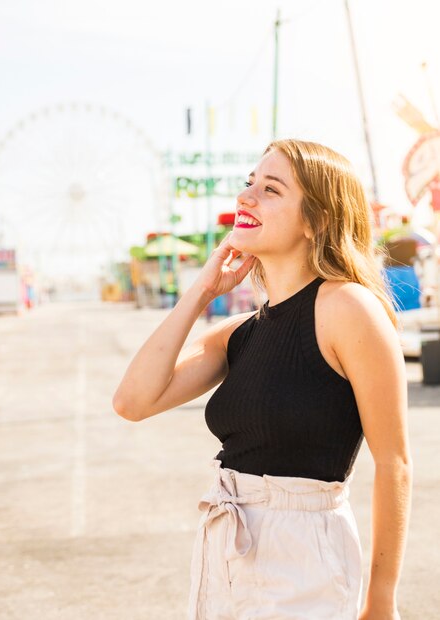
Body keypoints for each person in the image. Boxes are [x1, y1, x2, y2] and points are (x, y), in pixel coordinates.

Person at [112, 139, 412, 620]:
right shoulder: (240, 332)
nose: (246, 198)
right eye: (249, 183)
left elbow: (394, 463)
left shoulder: (347, 308)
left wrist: (381, 601)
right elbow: (132, 401)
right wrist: (201, 291)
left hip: (305, 556)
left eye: (270, 189)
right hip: (225, 550)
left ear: (316, 220)